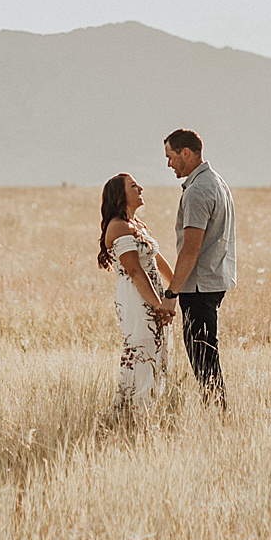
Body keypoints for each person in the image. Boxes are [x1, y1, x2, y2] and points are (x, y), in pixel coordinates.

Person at [162, 129, 236, 409]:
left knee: (203, 358)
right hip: (213, 281)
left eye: (171, 157)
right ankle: (217, 412)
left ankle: (218, 416)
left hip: (198, 286)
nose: (169, 164)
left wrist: (171, 295)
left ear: (186, 153)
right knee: (206, 354)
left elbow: (191, 249)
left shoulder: (197, 191)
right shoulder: (216, 182)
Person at [97, 172, 176, 413]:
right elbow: (134, 270)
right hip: (137, 298)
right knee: (141, 351)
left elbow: (157, 261)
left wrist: (174, 288)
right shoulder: (119, 227)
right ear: (121, 195)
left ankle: (150, 409)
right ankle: (136, 413)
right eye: (133, 186)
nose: (140, 188)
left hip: (155, 295)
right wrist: (159, 305)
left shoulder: (138, 225)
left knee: (158, 350)